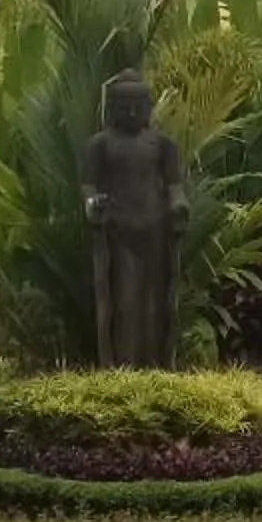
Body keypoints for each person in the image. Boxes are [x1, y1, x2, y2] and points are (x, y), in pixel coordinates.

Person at [81, 68, 187, 367]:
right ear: (112, 109)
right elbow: (88, 186)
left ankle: (155, 367)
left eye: (138, 107)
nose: (131, 112)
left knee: (155, 306)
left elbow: (174, 186)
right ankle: (124, 368)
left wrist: (179, 206)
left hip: (155, 229)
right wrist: (92, 205)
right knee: (125, 303)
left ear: (148, 108)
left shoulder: (163, 146)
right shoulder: (100, 144)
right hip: (119, 231)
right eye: (124, 107)